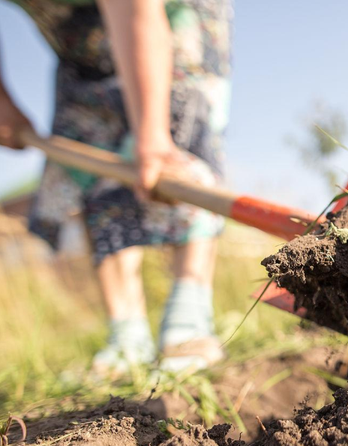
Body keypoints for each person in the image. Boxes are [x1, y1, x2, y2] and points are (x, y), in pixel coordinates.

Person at [0, 0, 233, 373]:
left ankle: (188, 323)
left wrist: (153, 136)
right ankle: (126, 336)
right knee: (94, 160)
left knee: (181, 133)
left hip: (164, 14)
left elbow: (136, 10)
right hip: (79, 43)